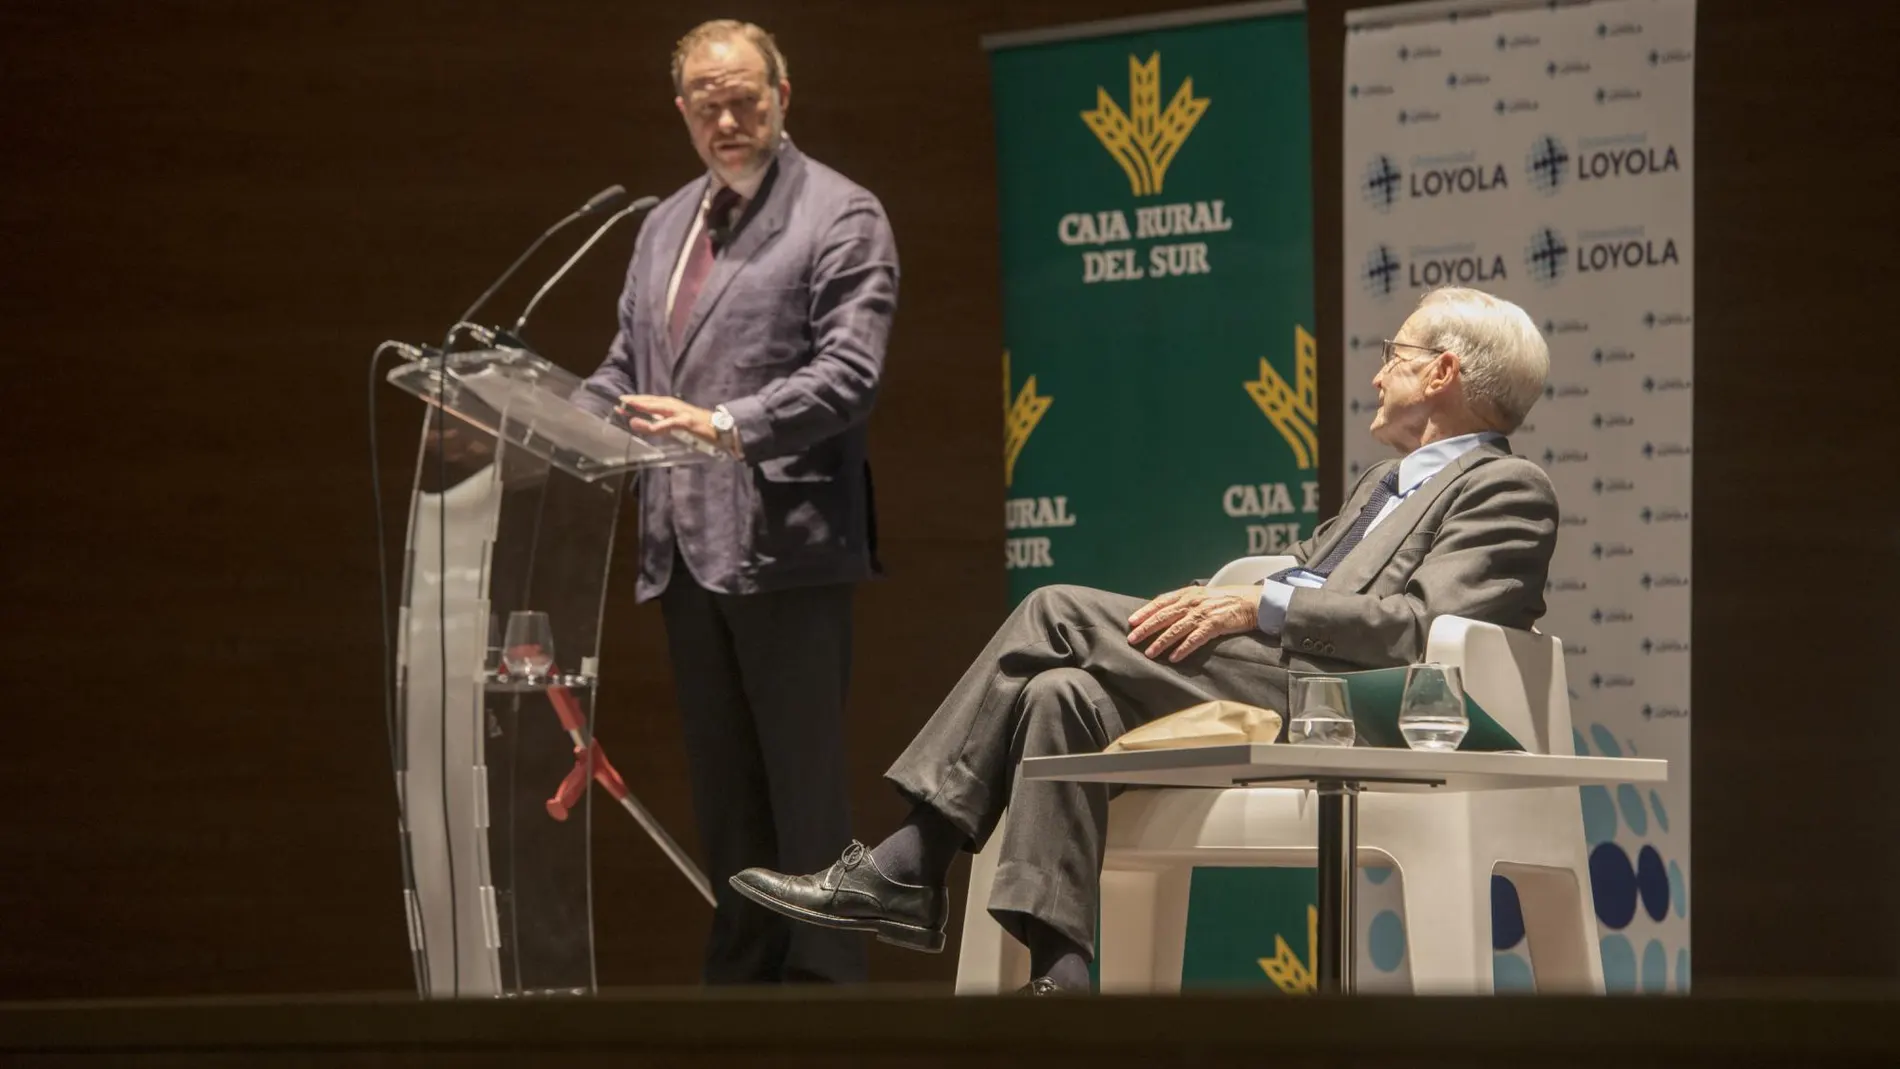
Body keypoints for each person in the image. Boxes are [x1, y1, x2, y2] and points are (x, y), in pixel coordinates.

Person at [730, 287, 1555, 993]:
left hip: (1353, 704)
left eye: (1395, 354)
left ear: (1442, 372)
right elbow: (1304, 572)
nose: (1378, 373)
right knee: (1061, 695)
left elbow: (1421, 632)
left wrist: (1257, 607)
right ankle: (1064, 974)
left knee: (1055, 610)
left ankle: (913, 859)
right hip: (1282, 674)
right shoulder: (1384, 482)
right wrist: (1230, 599)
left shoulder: (1507, 488)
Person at [579, 19, 898, 985]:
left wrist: (724, 425)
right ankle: (744, 1005)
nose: (727, 116)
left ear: (783, 96)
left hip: (786, 546)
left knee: (806, 807)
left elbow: (851, 373)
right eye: (706, 102)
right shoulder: (662, 225)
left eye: (745, 96)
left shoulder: (841, 216)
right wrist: (549, 417)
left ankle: (829, 1002)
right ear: (681, 111)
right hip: (681, 550)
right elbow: (627, 368)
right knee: (727, 805)